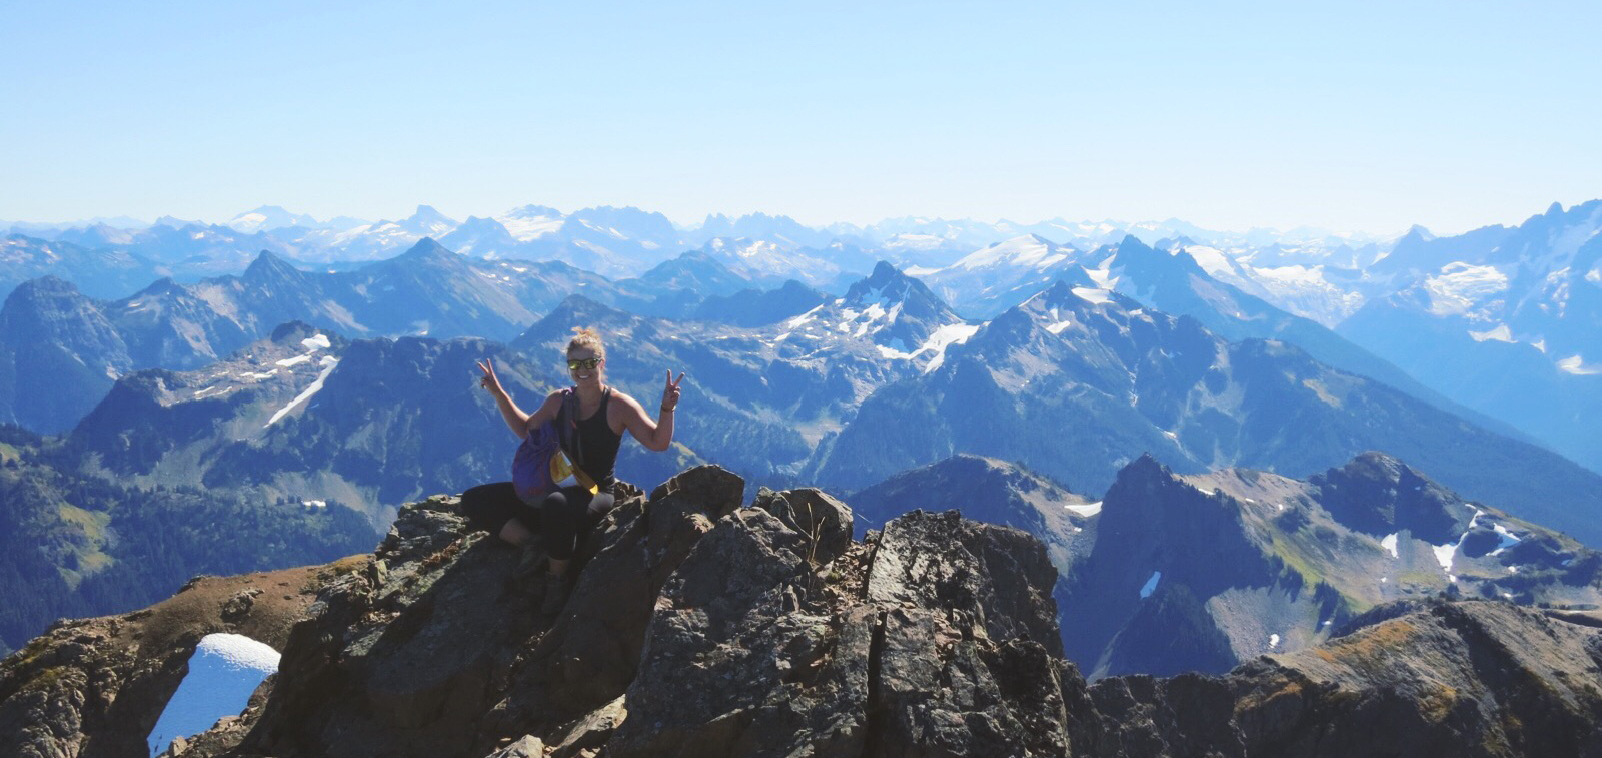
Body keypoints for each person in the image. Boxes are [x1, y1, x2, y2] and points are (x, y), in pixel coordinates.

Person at [462, 326, 684, 614]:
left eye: (590, 362)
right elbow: (525, 430)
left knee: (555, 505)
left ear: (602, 363)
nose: (583, 370)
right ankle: (535, 546)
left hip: (594, 492)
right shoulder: (558, 401)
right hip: (555, 485)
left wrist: (667, 409)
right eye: (575, 364)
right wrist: (497, 392)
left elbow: (658, 442)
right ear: (568, 367)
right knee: (474, 499)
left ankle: (556, 579)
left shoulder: (618, 406)